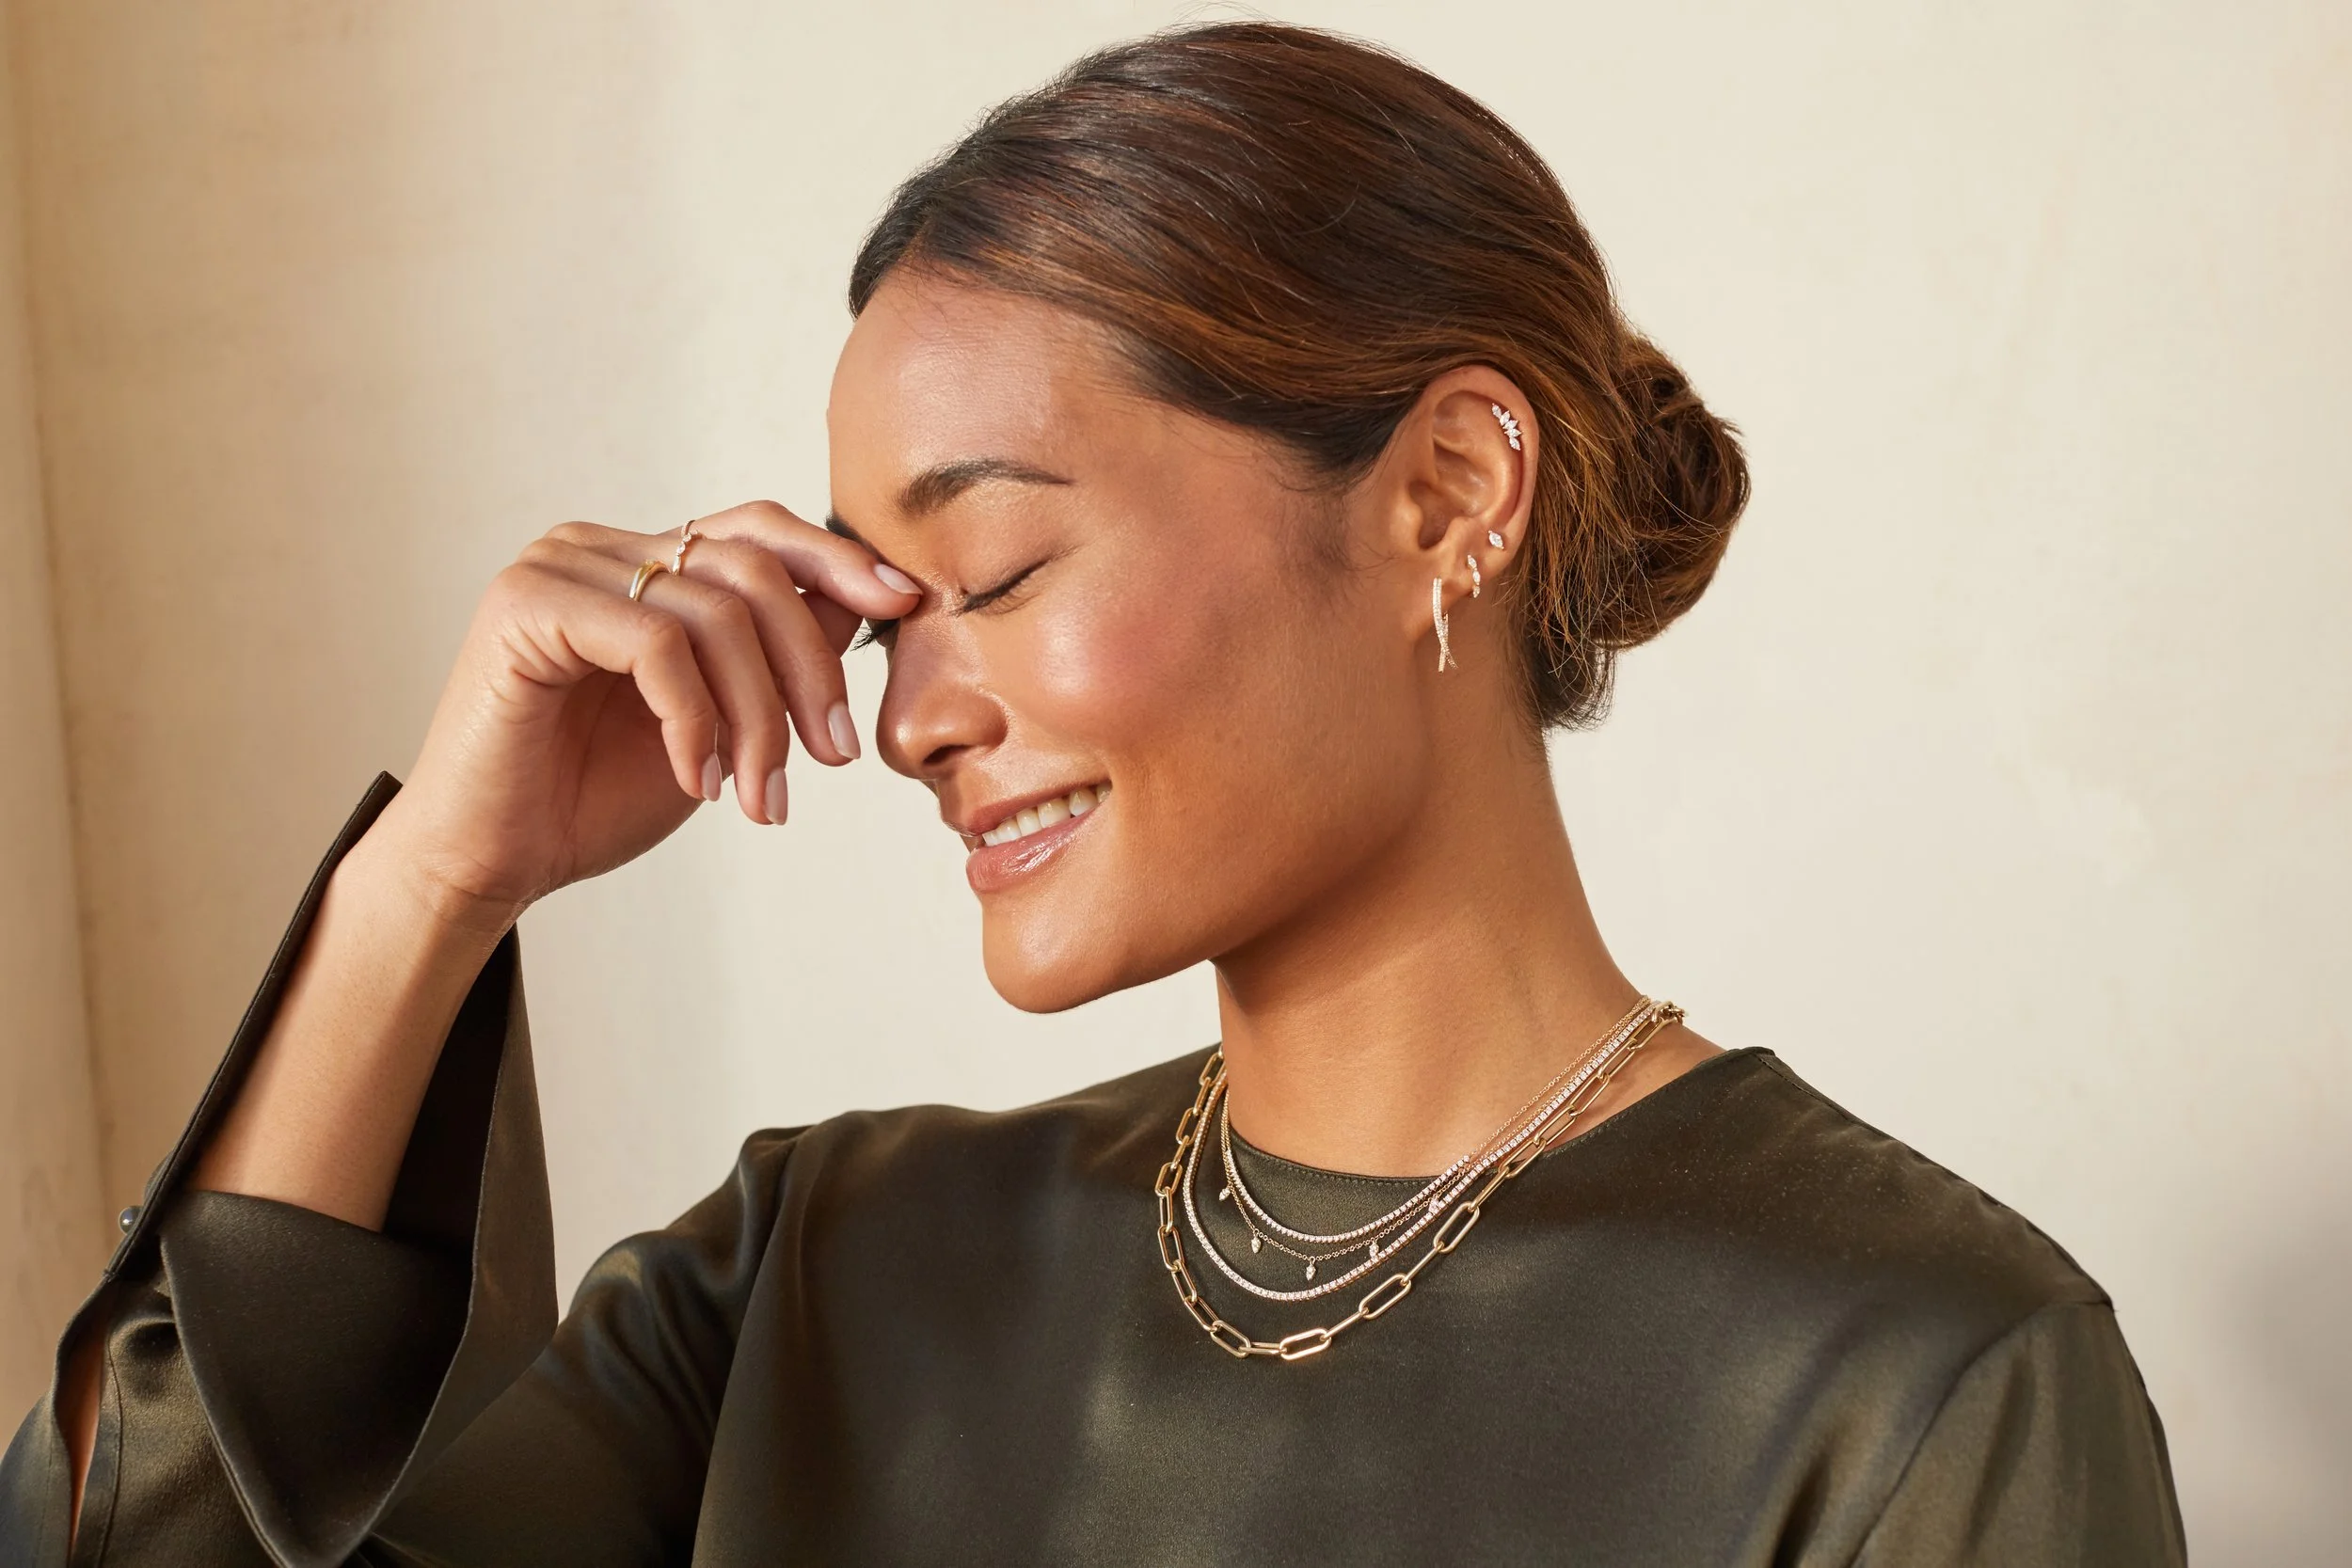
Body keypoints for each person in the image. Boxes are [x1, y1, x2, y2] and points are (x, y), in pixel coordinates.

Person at [1, 22, 2184, 1566]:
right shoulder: (813, 1278)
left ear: (1442, 495)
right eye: (881, 618)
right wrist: (430, 882)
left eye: (1002, 568)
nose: (910, 711)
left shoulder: (1919, 1378)